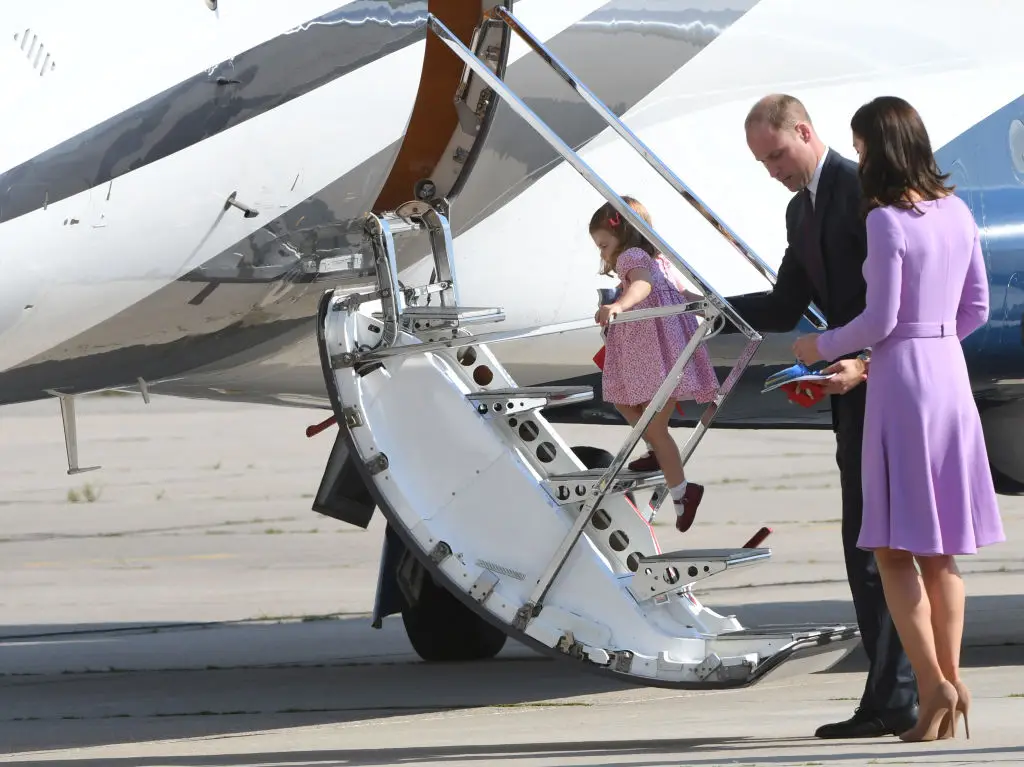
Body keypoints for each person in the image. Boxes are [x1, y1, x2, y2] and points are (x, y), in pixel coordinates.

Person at [793, 95, 1005, 742]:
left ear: (878, 151)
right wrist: (934, 341)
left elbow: (880, 319)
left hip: (902, 380)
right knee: (940, 551)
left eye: (859, 149)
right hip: (949, 375)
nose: (857, 161)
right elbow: (977, 308)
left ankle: (934, 683)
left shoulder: (887, 221)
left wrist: (819, 346)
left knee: (891, 549)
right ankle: (949, 686)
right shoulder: (957, 211)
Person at [722, 94, 919, 738]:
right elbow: (787, 304)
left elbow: (904, 300)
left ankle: (899, 697)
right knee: (867, 547)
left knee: (884, 547)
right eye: (761, 162)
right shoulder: (798, 210)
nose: (772, 170)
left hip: (888, 384)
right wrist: (707, 308)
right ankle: (894, 694)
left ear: (804, 132)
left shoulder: (863, 190)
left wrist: (865, 359)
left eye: (777, 154)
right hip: (850, 395)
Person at [590, 196, 719, 532]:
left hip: (653, 355)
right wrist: (708, 304)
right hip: (665, 354)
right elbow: (679, 295)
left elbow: (643, 286)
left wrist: (619, 305)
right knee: (628, 404)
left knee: (653, 425)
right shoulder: (659, 260)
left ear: (623, 235)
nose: (603, 253)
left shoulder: (632, 258)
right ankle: (654, 448)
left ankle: (682, 492)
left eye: (604, 245)